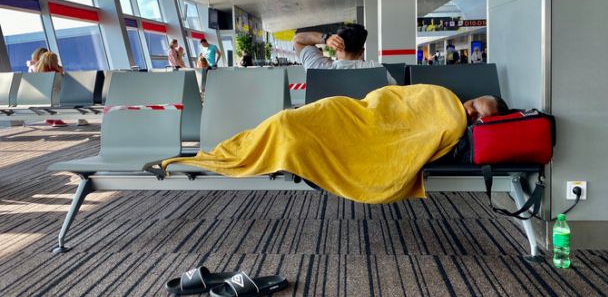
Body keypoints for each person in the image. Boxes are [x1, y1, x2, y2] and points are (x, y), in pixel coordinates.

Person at [160, 85, 509, 204]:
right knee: (285, 120)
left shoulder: (455, 127)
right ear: (474, 98)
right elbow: (387, 99)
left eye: (481, 118)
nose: (471, 113)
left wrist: (461, 125)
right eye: (476, 106)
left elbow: (419, 137)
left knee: (292, 139)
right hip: (350, 113)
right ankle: (223, 154)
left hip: (370, 134)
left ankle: (225, 156)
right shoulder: (443, 96)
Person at [293, 24, 397, 85]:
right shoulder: (376, 68)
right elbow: (394, 91)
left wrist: (326, 38)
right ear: (362, 51)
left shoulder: (317, 67)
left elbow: (298, 40)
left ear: (335, 47)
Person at [34, 51, 67, 127]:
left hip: (41, 96)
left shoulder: (38, 71)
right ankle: (56, 120)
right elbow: (61, 84)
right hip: (55, 96)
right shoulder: (57, 71)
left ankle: (50, 118)